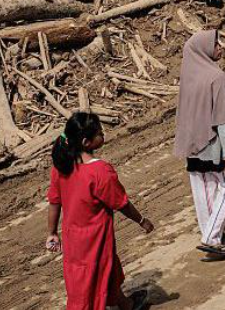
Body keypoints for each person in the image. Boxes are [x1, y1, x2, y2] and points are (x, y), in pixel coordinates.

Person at [46, 112, 154, 310]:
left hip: (72, 238)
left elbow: (54, 202)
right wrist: (141, 220)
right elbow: (121, 203)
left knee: (95, 273)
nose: (103, 134)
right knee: (92, 281)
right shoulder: (100, 172)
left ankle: (126, 304)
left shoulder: (61, 167)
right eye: (100, 133)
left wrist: (52, 232)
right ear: (86, 142)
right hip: (95, 239)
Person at [173, 29, 225, 261]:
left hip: (193, 147)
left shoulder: (188, 78)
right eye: (216, 44)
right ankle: (211, 238)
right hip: (215, 147)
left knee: (204, 193)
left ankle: (213, 237)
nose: (220, 47)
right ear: (203, 49)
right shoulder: (216, 77)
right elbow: (223, 119)